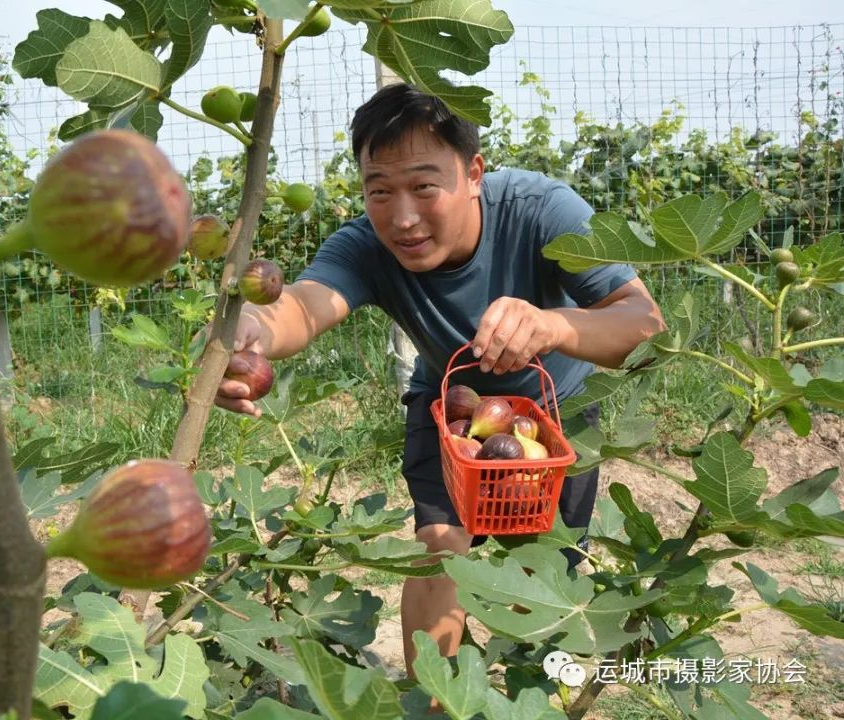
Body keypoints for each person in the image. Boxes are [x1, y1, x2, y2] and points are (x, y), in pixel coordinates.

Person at [215, 83, 666, 673]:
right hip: (448, 410)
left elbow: (646, 326)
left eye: (425, 186)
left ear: (473, 172)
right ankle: (432, 703)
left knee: (543, 574)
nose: (402, 218)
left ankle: (532, 699)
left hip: (556, 416)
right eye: (379, 191)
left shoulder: (543, 212)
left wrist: (554, 325)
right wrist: (246, 325)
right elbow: (301, 306)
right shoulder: (365, 246)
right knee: (439, 551)